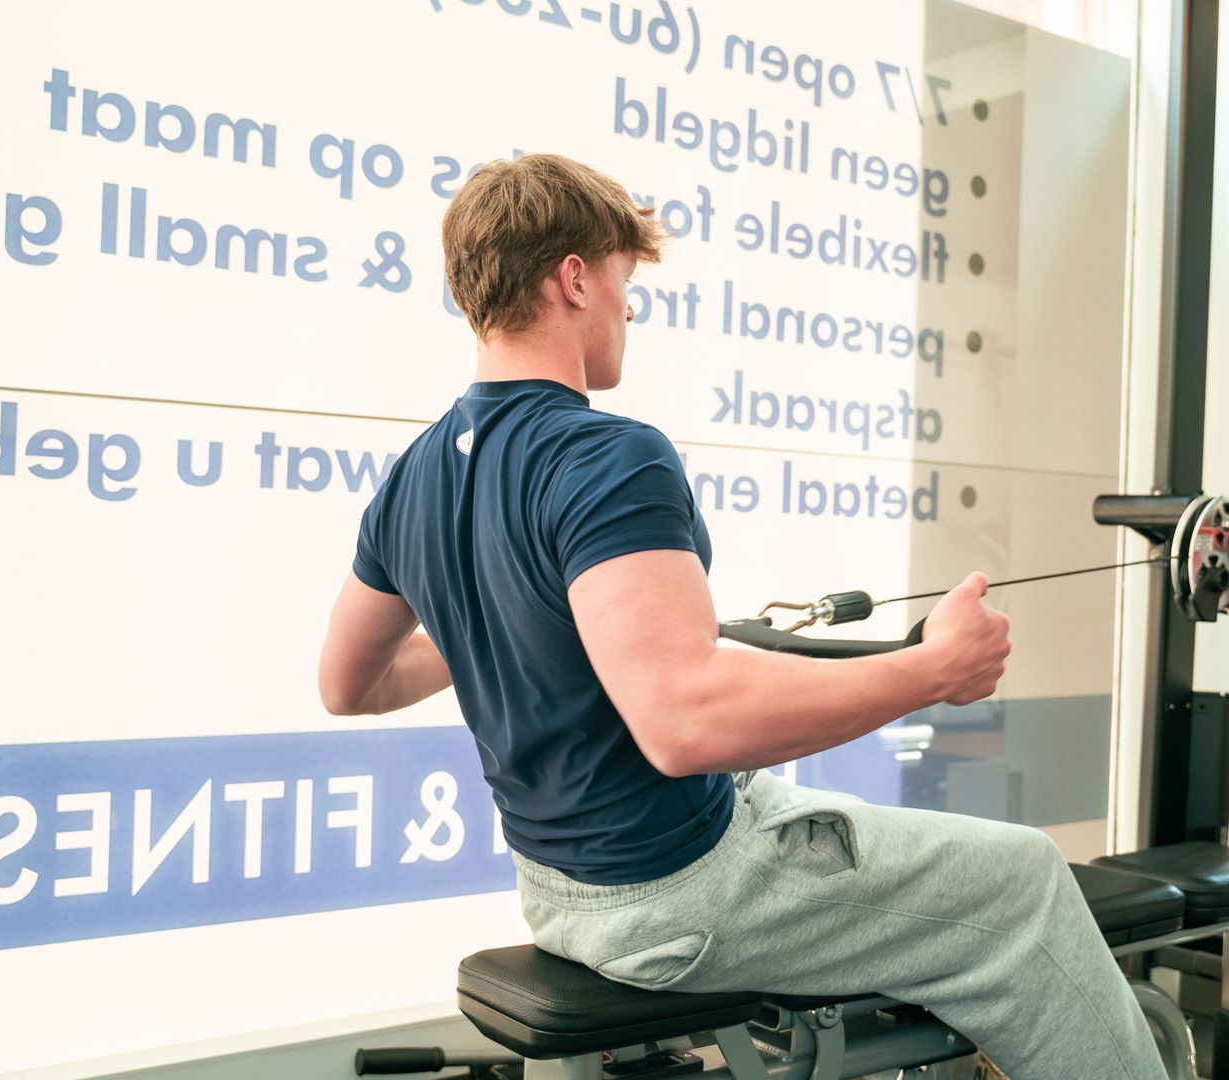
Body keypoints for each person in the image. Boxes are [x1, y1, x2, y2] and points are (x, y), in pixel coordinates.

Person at [316, 153, 1166, 1079]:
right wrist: (933, 672)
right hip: (675, 897)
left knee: (811, 807)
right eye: (622, 283)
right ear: (573, 279)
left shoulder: (415, 476)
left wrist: (511, 609)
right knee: (1025, 879)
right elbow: (687, 723)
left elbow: (348, 685)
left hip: (557, 892)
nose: (628, 310)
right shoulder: (606, 454)